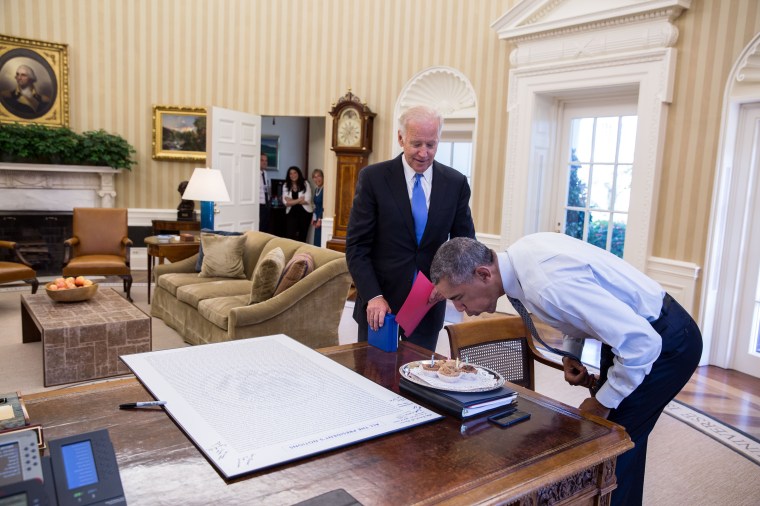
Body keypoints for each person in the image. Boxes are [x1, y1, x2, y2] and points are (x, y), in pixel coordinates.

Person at [430, 234, 703, 505]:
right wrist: (572, 352)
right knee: (622, 443)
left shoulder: (546, 285)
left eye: (459, 297)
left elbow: (642, 344)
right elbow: (583, 303)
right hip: (628, 339)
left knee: (610, 447)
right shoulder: (522, 256)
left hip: (665, 344)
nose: (458, 307)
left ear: (483, 274)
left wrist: (602, 402)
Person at [345, 105, 475, 351]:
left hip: (429, 302)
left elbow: (464, 244)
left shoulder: (455, 183)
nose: (424, 153)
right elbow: (357, 247)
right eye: (416, 144)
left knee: (419, 379)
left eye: (431, 144)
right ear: (400, 138)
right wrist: (373, 295)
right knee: (374, 377)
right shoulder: (373, 178)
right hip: (380, 304)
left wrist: (449, 283)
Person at [282, 166, 313, 242]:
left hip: (305, 213)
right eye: (291, 174)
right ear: (289, 176)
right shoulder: (286, 185)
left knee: (302, 236)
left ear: (298, 173)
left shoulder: (305, 183)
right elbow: (286, 203)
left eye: (295, 172)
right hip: (291, 213)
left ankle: (301, 253)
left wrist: (292, 201)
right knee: (290, 235)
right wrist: (299, 199)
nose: (293, 175)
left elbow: (307, 200)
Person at [311, 168, 324, 247]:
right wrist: (313, 218)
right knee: (316, 240)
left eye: (319, 176)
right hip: (317, 218)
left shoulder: (325, 190)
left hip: (321, 218)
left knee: (320, 241)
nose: (317, 179)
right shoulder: (316, 190)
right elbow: (315, 206)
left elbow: (324, 206)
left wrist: (319, 219)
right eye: (314, 177)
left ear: (322, 177)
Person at [259, 154, 271, 233]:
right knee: (260, 227)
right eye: (262, 160)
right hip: (259, 204)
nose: (264, 162)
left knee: (266, 227)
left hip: (266, 204)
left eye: (266, 160)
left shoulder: (265, 173)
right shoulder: (255, 174)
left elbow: (267, 187)